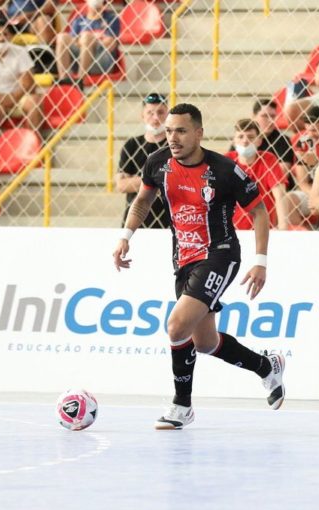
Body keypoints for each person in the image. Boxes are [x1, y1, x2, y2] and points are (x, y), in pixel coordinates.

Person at [112, 103, 285, 430]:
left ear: (199, 133)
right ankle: (267, 367)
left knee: (177, 326)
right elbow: (143, 201)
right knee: (205, 342)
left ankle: (182, 406)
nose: (172, 138)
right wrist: (125, 236)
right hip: (184, 259)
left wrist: (260, 262)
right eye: (168, 131)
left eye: (180, 131)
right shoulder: (157, 162)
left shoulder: (225, 171)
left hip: (220, 253)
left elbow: (259, 212)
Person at [115, 93, 170, 229]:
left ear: (168, 115)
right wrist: (155, 180)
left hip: (166, 221)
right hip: (134, 222)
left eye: (160, 112)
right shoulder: (132, 145)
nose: (156, 117)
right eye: (150, 113)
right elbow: (121, 185)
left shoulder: (173, 146)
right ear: (143, 116)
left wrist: (136, 180)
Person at [279, 105, 319, 228]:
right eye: (308, 130)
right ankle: (305, 236)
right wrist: (315, 196)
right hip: (312, 191)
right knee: (288, 201)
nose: (311, 135)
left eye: (315, 130)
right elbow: (302, 182)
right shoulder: (303, 143)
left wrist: (318, 162)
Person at [226, 119, 289, 230]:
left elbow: (280, 195)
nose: (245, 141)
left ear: (259, 141)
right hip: (232, 229)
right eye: (240, 137)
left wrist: (283, 229)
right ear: (234, 141)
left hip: (263, 228)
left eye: (250, 137)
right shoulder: (227, 160)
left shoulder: (268, 159)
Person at [55, 0, 119, 83]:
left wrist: (89, 41)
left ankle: (80, 80)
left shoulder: (111, 18)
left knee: (87, 37)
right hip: (79, 59)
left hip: (101, 59)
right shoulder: (78, 21)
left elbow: (111, 44)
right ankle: (64, 80)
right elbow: (73, 42)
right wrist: (89, 40)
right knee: (62, 37)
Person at [251, 98, 293, 178]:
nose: (270, 120)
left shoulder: (283, 140)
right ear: (253, 116)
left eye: (273, 116)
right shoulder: (244, 138)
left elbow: (281, 175)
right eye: (265, 116)